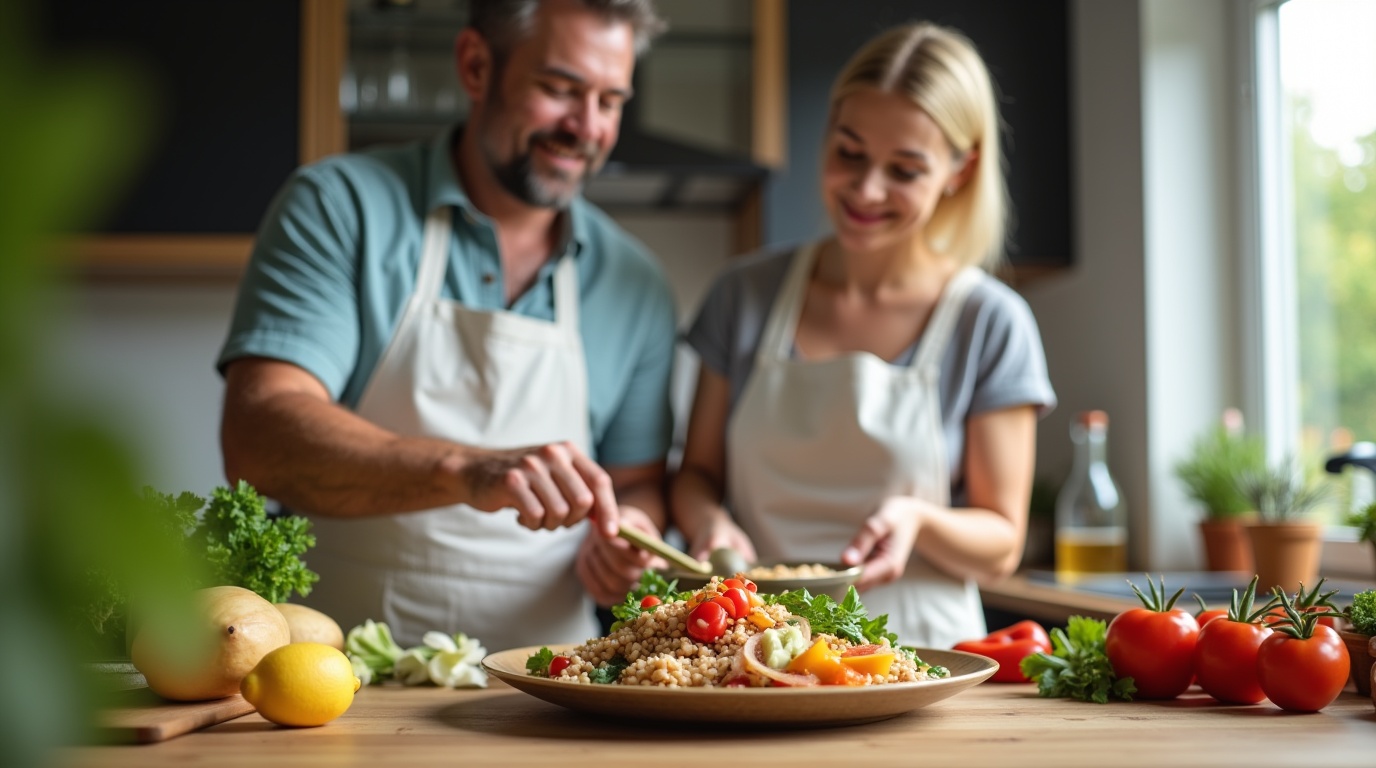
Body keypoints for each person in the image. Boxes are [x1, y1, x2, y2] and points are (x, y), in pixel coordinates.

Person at [216, 0, 677, 652]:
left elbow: (638, 482)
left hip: (553, 695)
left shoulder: (636, 283)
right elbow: (259, 436)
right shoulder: (341, 207)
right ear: (476, 65)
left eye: (610, 100)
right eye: (559, 89)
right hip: (332, 687)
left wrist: (629, 534)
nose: (587, 127)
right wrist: (465, 471)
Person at [670, 22, 1056, 649]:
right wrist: (709, 524)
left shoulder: (988, 320)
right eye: (849, 153)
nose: (867, 189)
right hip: (756, 650)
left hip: (918, 656)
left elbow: (1001, 545)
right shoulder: (743, 295)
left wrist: (917, 520)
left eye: (904, 169)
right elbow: (695, 475)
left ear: (962, 168)